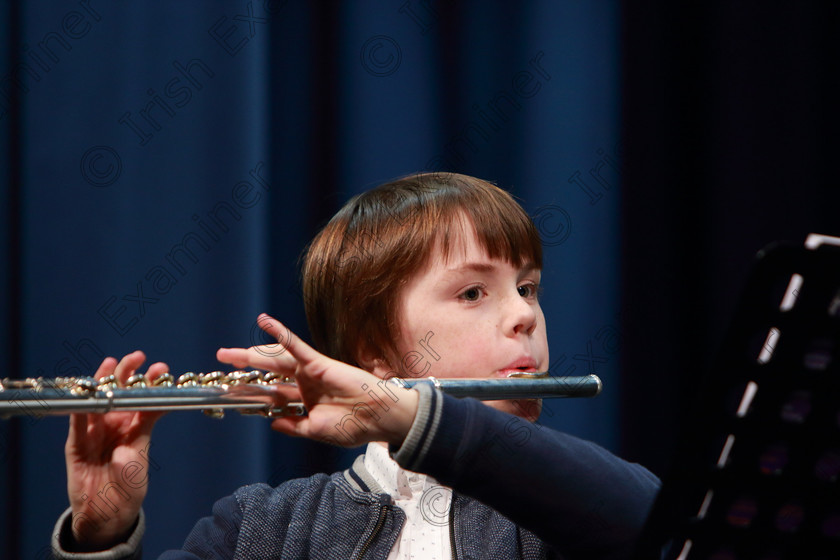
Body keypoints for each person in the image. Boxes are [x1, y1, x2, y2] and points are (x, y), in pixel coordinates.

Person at [53, 173, 660, 559]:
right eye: (473, 293)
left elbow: (648, 521)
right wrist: (100, 536)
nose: (523, 317)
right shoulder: (262, 527)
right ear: (371, 350)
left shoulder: (565, 502)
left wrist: (408, 414)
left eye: (527, 288)